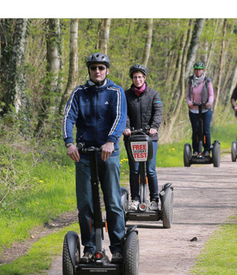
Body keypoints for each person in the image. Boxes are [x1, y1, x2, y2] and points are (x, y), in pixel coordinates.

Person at [63, 52, 127, 264]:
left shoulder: (115, 91)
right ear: (89, 71)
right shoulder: (79, 92)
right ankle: (90, 247)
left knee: (113, 202)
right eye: (93, 68)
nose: (97, 71)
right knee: (86, 204)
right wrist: (69, 143)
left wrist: (111, 140)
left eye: (101, 68)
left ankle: (117, 248)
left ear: (107, 70)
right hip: (84, 154)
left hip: (108, 153)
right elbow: (68, 117)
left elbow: (119, 118)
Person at [123, 64, 163, 211]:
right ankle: (135, 199)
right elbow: (124, 113)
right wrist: (126, 127)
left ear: (144, 77)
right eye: (135, 77)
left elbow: (158, 112)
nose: (137, 79)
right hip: (132, 137)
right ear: (132, 78)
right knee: (134, 170)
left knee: (150, 170)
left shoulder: (153, 94)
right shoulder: (126, 95)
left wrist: (154, 127)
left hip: (150, 138)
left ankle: (154, 200)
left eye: (140, 77)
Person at [186, 62, 214, 157]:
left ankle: (206, 149)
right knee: (196, 130)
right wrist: (189, 102)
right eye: (196, 69)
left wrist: (209, 102)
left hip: (206, 109)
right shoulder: (190, 81)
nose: (198, 71)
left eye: (200, 69)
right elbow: (187, 95)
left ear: (203, 70)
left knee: (205, 130)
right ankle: (196, 150)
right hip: (194, 109)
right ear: (194, 70)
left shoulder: (207, 81)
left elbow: (211, 95)